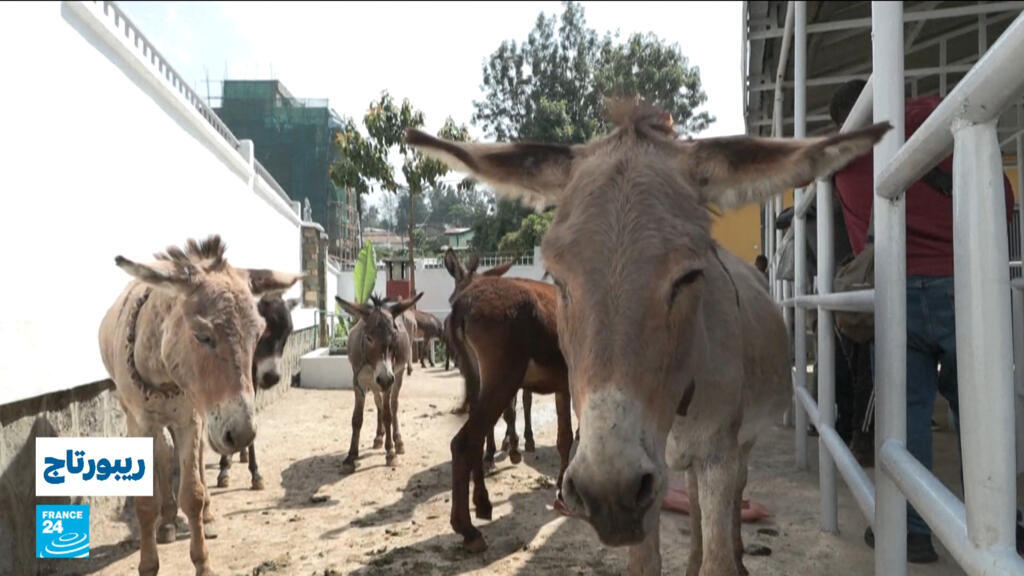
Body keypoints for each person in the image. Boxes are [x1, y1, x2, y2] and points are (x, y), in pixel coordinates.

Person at [829, 79, 1016, 563]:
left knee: (906, 417)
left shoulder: (845, 167)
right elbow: (1005, 198)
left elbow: (858, 241)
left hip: (898, 296)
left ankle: (912, 532)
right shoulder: (941, 116)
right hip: (965, 285)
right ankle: (1001, 524)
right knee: (983, 409)